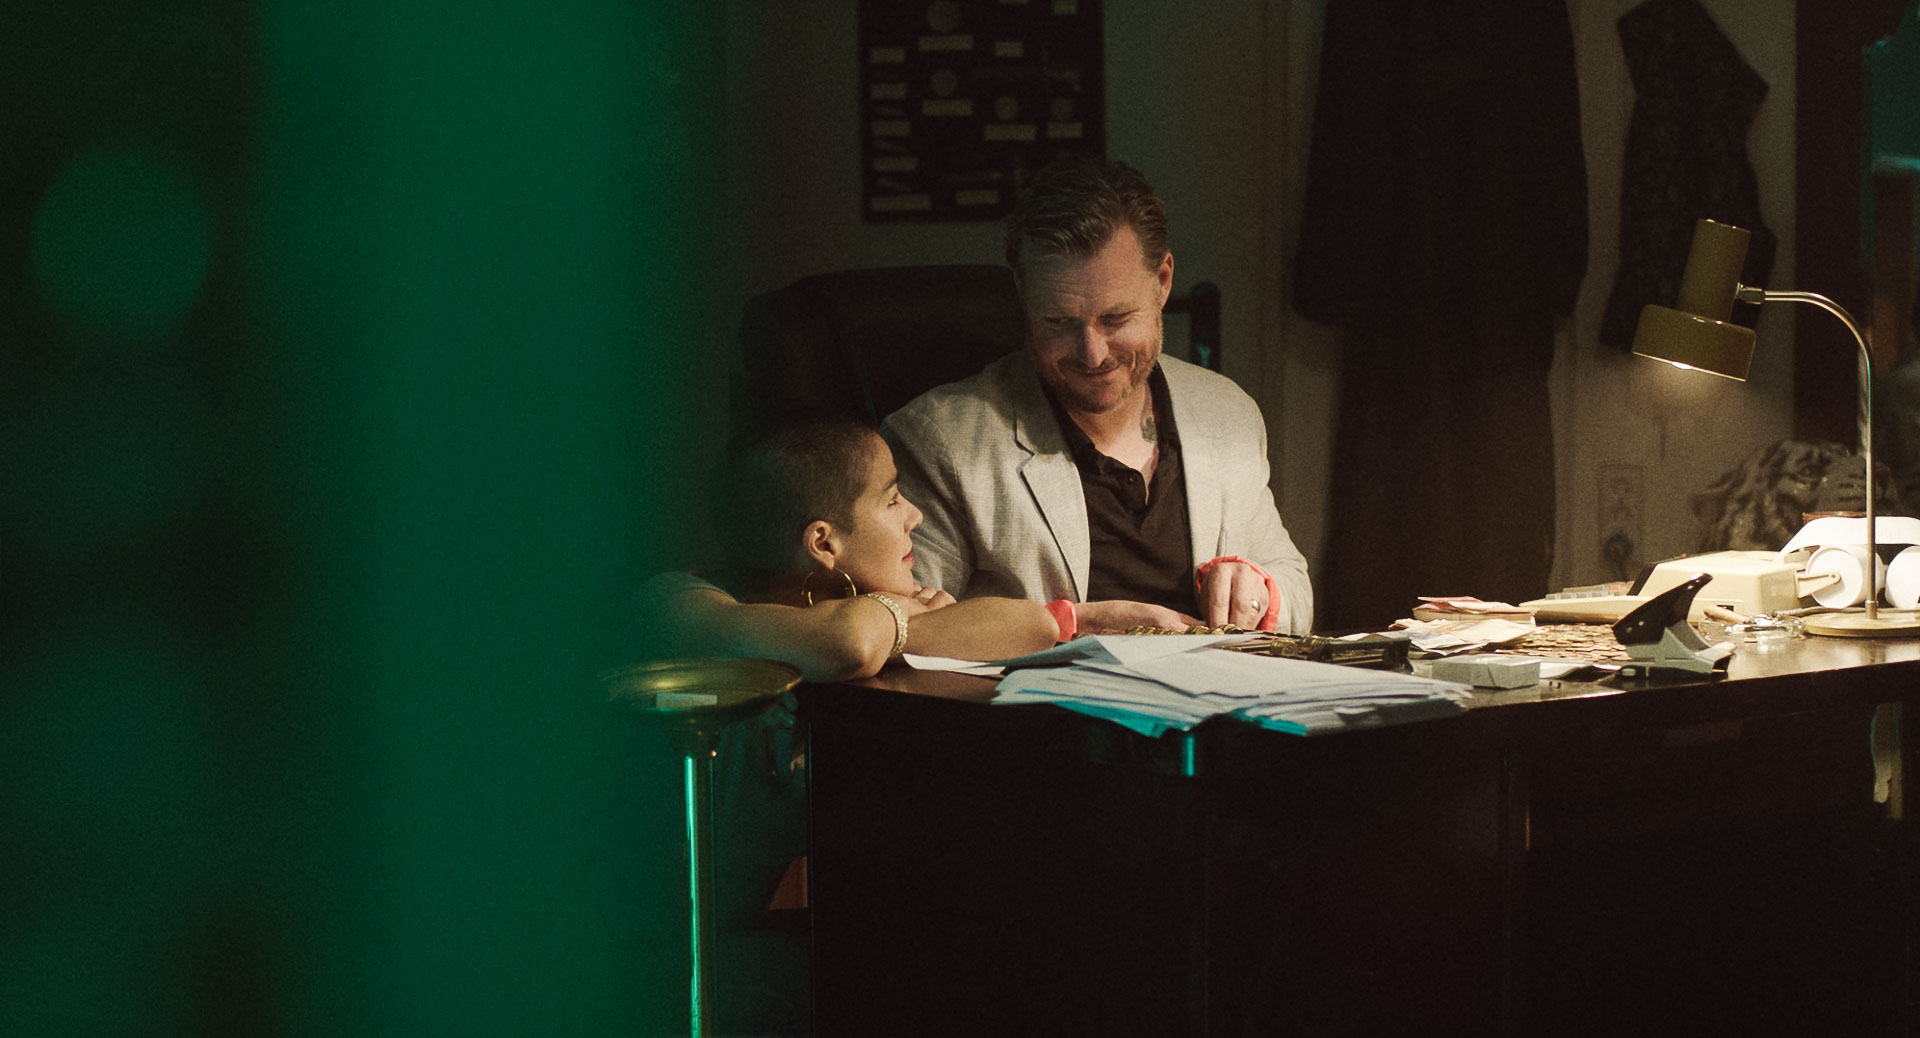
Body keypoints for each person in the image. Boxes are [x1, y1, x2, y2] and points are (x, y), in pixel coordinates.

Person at [882, 156, 1313, 634]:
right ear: (1023, 293)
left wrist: (1260, 592)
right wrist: (1066, 625)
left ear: (1163, 281)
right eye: (1058, 322)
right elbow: (901, 629)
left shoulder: (1227, 412)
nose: (1092, 354)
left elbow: (1294, 585)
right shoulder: (940, 441)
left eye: (1115, 319)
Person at [632, 416, 1063, 680]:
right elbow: (848, 644)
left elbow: (1034, 626)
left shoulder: (854, 597)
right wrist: (901, 613)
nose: (915, 516)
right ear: (823, 543)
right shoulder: (674, 604)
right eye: (892, 500)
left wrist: (888, 626)